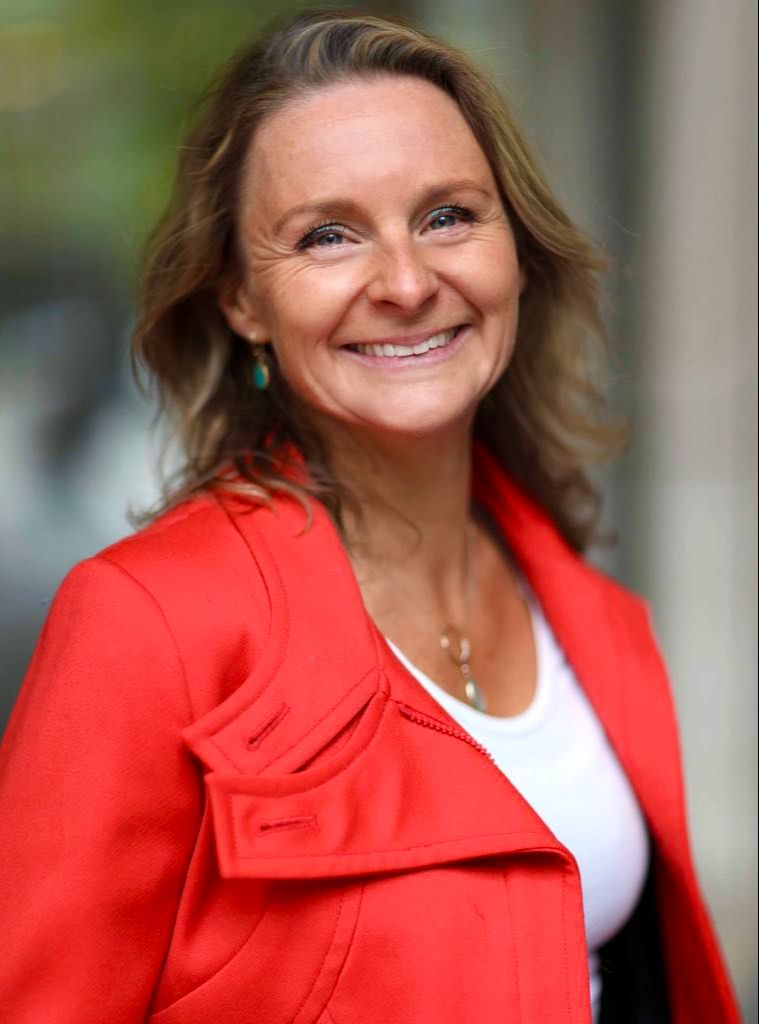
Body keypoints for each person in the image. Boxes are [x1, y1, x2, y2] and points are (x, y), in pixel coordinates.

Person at [0, 10, 739, 1023]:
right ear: (242, 300)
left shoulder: (578, 597)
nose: (405, 282)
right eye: (328, 235)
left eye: (448, 217)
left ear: (517, 251)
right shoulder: (144, 624)